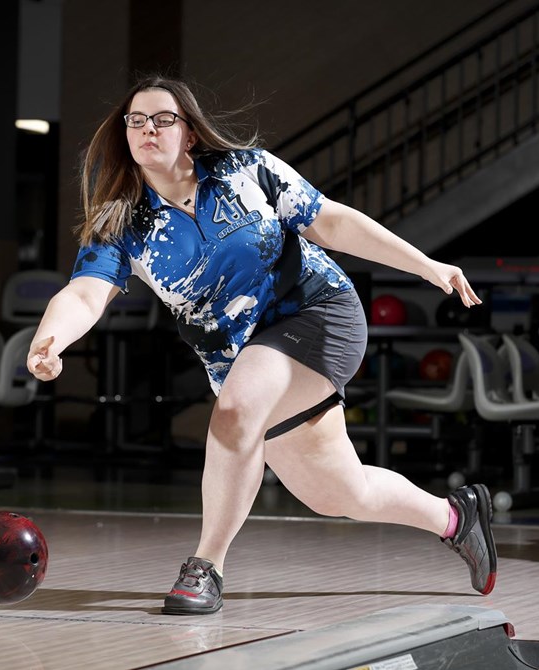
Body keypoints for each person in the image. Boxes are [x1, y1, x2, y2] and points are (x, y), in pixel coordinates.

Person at [27, 75, 496, 615]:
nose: (147, 129)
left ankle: (206, 567)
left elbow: (332, 222)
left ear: (191, 134)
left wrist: (426, 266)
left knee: (237, 409)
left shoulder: (246, 170)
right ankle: (457, 518)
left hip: (316, 315)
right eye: (136, 121)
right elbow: (86, 294)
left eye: (163, 119)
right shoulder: (123, 222)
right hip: (238, 356)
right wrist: (50, 338)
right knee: (339, 493)